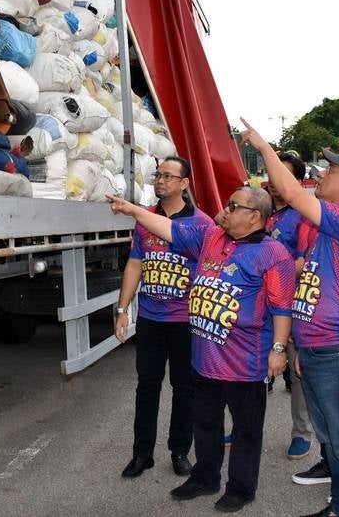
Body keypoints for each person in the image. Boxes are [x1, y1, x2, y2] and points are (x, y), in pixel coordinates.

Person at [108, 186, 295, 513]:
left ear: (254, 217)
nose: (225, 209)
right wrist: (135, 211)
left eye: (233, 205)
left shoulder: (273, 253)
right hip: (205, 358)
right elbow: (167, 228)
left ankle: (241, 488)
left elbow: (281, 307)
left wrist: (278, 349)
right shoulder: (211, 238)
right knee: (205, 424)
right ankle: (204, 478)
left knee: (246, 430)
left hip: (245, 362)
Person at [240, 120, 339, 517]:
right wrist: (302, 343)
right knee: (335, 441)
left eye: (332, 171)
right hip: (321, 348)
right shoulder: (329, 227)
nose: (323, 174)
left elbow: (286, 190)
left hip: (337, 349)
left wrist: (263, 146)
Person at [115, 156, 214, 479]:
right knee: (147, 386)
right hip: (151, 318)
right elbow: (135, 264)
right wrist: (122, 309)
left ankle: (180, 450)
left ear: (185, 184)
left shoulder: (202, 224)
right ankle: (142, 453)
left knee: (184, 387)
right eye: (158, 175)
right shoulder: (145, 219)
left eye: (169, 176)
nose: (160, 181)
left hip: (185, 320)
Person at [264, 153, 315, 461]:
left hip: (290, 305)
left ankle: (301, 432)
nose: (274, 180)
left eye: (283, 174)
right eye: (272, 172)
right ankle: (245, 427)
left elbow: (304, 263)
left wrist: (264, 269)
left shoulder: (303, 217)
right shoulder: (259, 211)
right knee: (251, 367)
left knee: (297, 372)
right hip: (256, 306)